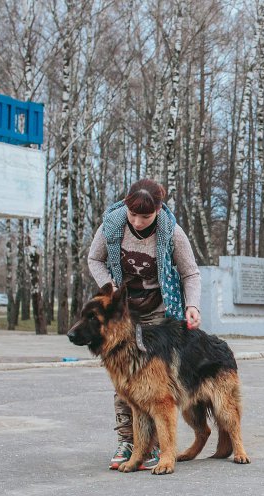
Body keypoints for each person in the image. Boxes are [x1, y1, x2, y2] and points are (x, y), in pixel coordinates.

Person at [88, 178, 201, 470]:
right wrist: (109, 287)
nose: (138, 222)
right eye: (133, 214)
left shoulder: (171, 231)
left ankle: (152, 447)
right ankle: (128, 441)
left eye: (145, 216)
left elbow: (190, 273)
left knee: (154, 385)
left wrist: (192, 305)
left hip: (159, 314)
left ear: (158, 210)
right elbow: (94, 259)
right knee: (124, 378)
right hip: (123, 316)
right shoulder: (112, 225)